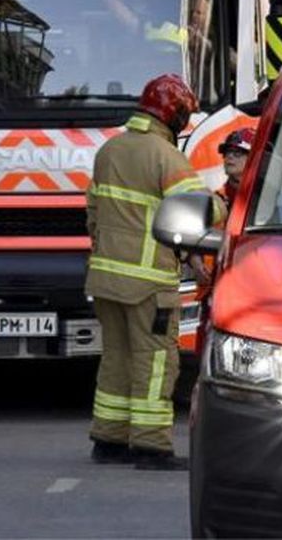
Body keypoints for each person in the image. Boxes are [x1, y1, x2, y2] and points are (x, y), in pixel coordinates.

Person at [85, 73, 205, 471]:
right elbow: (197, 210)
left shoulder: (109, 151)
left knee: (115, 358)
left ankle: (109, 440)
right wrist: (222, 206)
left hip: (104, 279)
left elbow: (93, 215)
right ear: (175, 113)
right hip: (148, 284)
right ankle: (152, 446)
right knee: (155, 362)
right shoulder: (165, 156)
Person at [217, 128, 255, 205]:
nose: (230, 156)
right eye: (227, 151)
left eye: (237, 152)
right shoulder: (218, 199)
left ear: (254, 158)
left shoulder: (266, 193)